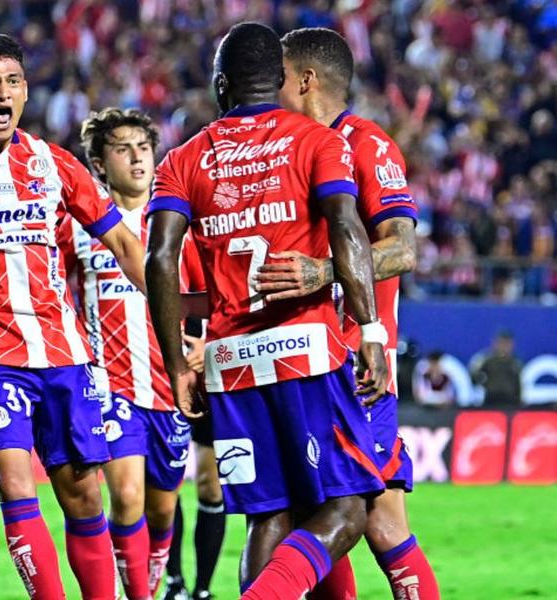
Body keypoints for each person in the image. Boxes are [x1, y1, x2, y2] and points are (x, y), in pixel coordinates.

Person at [145, 22, 389, 600]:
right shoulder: (316, 140)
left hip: (229, 362)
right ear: (280, 79)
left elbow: (160, 258)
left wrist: (178, 362)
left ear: (220, 83)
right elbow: (348, 230)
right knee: (347, 508)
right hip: (305, 350)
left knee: (267, 517)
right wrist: (371, 330)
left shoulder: (183, 159)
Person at [0, 34, 147, 600]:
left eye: (13, 81)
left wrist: (181, 323)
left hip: (64, 353)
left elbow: (121, 239)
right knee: (16, 484)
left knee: (84, 494)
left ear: (25, 92)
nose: (3, 92)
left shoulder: (52, 161)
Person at [253, 27, 441, 600]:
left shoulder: (367, 143)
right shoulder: (281, 147)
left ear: (305, 80)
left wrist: (321, 272)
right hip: (296, 360)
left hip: (357, 365)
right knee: (318, 514)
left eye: (277, 76)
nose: (267, 87)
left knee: (379, 523)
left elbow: (402, 248)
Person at [58, 107, 201, 600]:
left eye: (144, 147)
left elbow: (205, 295)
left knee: (163, 511)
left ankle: (151, 580)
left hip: (170, 384)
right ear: (99, 163)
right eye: (123, 148)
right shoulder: (77, 225)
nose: (138, 157)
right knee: (127, 497)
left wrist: (204, 341)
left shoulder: (178, 223)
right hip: (110, 384)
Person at [163, 259, 227, 600]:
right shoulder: (156, 229)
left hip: (213, 375)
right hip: (161, 374)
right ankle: (174, 582)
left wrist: (212, 343)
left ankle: (203, 588)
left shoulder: (211, 234)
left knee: (210, 486)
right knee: (164, 486)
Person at [470, 330, 523, 406]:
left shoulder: (516, 362)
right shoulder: (487, 360)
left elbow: (518, 385)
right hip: (491, 400)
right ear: (495, 344)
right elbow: (474, 379)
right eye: (502, 343)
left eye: (507, 343)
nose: (504, 347)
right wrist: (483, 381)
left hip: (511, 401)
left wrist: (519, 401)